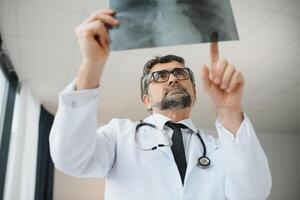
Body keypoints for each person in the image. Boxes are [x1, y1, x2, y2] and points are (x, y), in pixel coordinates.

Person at [49, 9, 272, 200]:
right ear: (146, 99)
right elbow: (70, 158)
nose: (173, 79)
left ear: (194, 92)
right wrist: (91, 67)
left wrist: (229, 112)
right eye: (160, 76)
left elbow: (253, 194)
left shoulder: (220, 148)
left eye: (179, 73)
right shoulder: (120, 136)